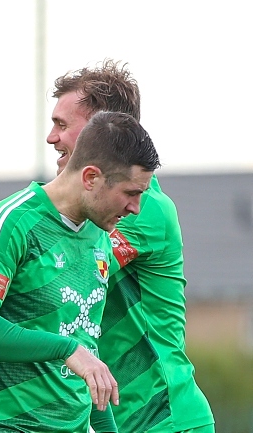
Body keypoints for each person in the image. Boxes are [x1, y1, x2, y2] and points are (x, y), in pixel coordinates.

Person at [0, 111, 161, 433]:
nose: (136, 208)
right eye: (131, 193)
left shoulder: (99, 237)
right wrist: (65, 348)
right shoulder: (10, 222)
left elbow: (85, 347)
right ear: (90, 178)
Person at [47, 59, 215, 432]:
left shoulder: (140, 207)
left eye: (62, 125)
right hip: (123, 421)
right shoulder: (82, 206)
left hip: (166, 419)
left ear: (99, 131)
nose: (51, 138)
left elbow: (54, 278)